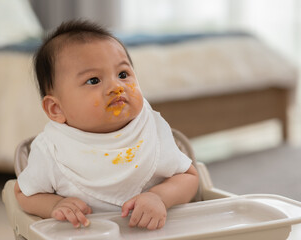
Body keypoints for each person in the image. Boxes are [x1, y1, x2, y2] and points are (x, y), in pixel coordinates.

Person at [14, 20, 199, 231]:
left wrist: (159, 197)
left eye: (123, 74)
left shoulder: (150, 129)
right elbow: (23, 193)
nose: (116, 87)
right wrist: (55, 205)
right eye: (93, 80)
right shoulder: (53, 149)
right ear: (56, 109)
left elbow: (189, 177)